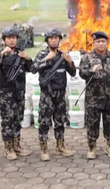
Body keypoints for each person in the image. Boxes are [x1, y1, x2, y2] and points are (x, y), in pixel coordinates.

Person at [31, 29, 76, 161]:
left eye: (56, 38)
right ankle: (44, 148)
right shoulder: (42, 54)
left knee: (60, 120)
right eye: (51, 38)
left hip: (60, 94)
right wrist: (46, 59)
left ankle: (60, 145)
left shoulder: (63, 55)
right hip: (47, 94)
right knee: (44, 121)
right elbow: (33, 69)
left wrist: (69, 61)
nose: (54, 40)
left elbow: (73, 73)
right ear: (47, 41)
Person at [79, 31, 110, 159]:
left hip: (109, 98)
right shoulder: (87, 58)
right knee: (92, 123)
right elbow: (81, 73)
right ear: (94, 43)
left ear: (107, 43)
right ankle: (91, 148)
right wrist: (90, 71)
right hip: (93, 98)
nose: (100, 44)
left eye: (103, 41)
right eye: (98, 41)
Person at [0, 27, 33, 160]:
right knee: (7, 120)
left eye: (14, 38)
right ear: (4, 40)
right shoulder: (1, 53)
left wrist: (28, 58)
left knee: (18, 118)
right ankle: (8, 148)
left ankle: (17, 145)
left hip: (19, 91)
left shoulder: (21, 53)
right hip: (6, 92)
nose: (12, 40)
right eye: (9, 38)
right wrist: (2, 54)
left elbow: (33, 68)